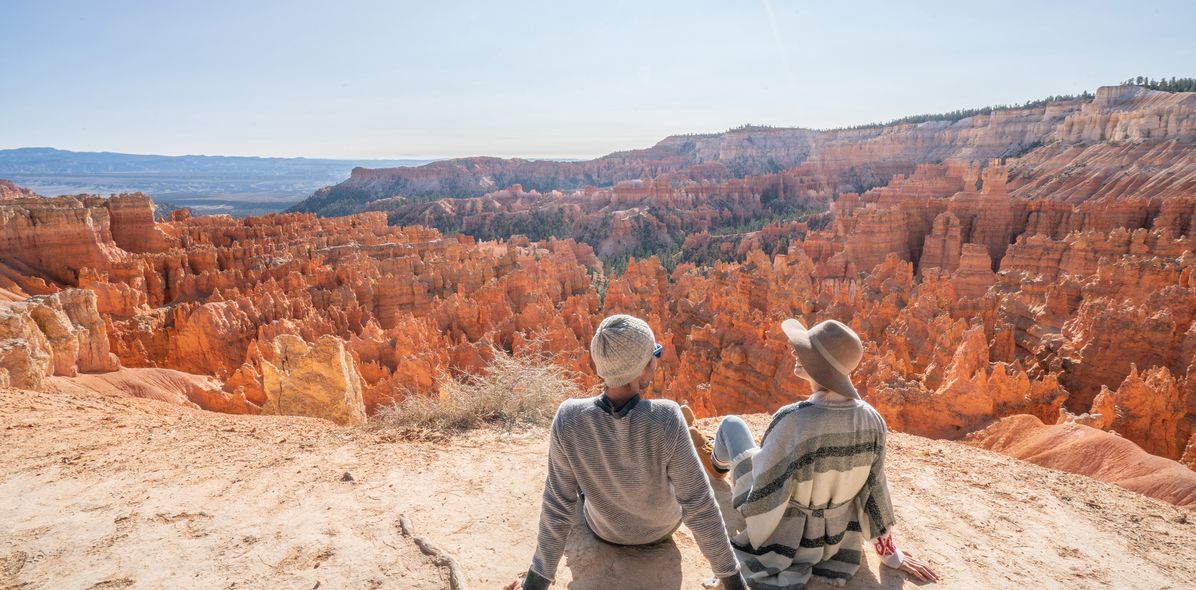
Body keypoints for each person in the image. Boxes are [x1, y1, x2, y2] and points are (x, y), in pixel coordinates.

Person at [507, 314, 747, 590]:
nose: (656, 361)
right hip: (661, 530)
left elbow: (556, 506)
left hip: (605, 531)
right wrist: (733, 580)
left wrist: (535, 582)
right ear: (642, 369)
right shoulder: (667, 417)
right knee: (678, 471)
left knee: (569, 493)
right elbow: (699, 504)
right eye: (653, 355)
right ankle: (697, 445)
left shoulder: (568, 418)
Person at [708, 318, 938, 588]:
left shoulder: (793, 420)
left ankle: (716, 467)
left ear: (820, 366)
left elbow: (764, 490)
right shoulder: (873, 420)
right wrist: (889, 553)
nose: (794, 352)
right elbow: (875, 488)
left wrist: (749, 498)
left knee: (731, 425)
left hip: (786, 535)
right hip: (834, 541)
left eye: (803, 351)